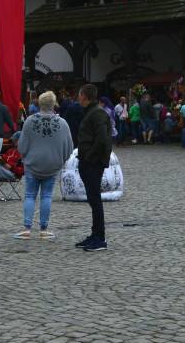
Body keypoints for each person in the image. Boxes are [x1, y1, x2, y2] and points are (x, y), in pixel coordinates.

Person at [15, 91, 72, 240]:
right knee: (46, 196)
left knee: (29, 196)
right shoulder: (63, 123)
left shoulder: (29, 121)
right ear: (54, 104)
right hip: (52, 165)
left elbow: (22, 146)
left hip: (32, 164)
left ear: (39, 104)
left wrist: (25, 157)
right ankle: (44, 230)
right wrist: (61, 160)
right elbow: (69, 147)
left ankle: (27, 228)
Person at [75, 83, 112, 252]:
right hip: (88, 161)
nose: (77, 97)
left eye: (79, 95)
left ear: (85, 96)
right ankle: (94, 234)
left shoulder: (97, 113)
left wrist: (90, 156)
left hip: (93, 163)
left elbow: (103, 139)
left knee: (95, 200)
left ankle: (100, 238)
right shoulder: (91, 112)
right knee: (92, 199)